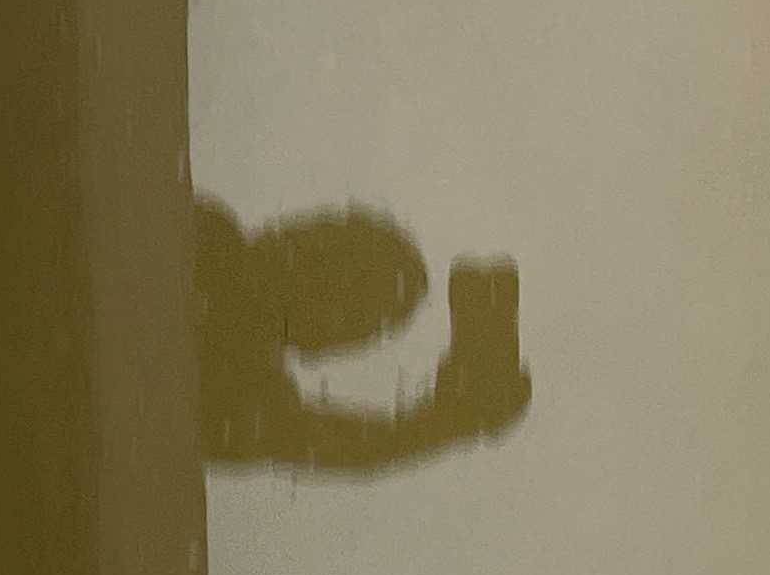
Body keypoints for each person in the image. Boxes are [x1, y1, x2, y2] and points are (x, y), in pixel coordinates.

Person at [194, 194, 530, 475]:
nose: (318, 289)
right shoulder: (232, 397)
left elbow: (335, 443)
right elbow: (342, 445)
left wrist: (448, 423)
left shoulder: (235, 396)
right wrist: (448, 424)